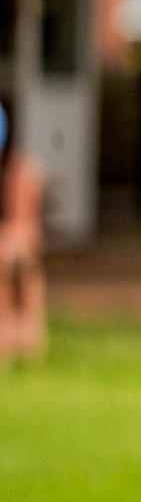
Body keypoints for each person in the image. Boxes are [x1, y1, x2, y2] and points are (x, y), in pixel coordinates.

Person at [0, 102, 44, 361]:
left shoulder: (23, 172)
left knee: (6, 254)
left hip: (15, 245)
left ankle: (15, 339)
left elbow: (26, 227)